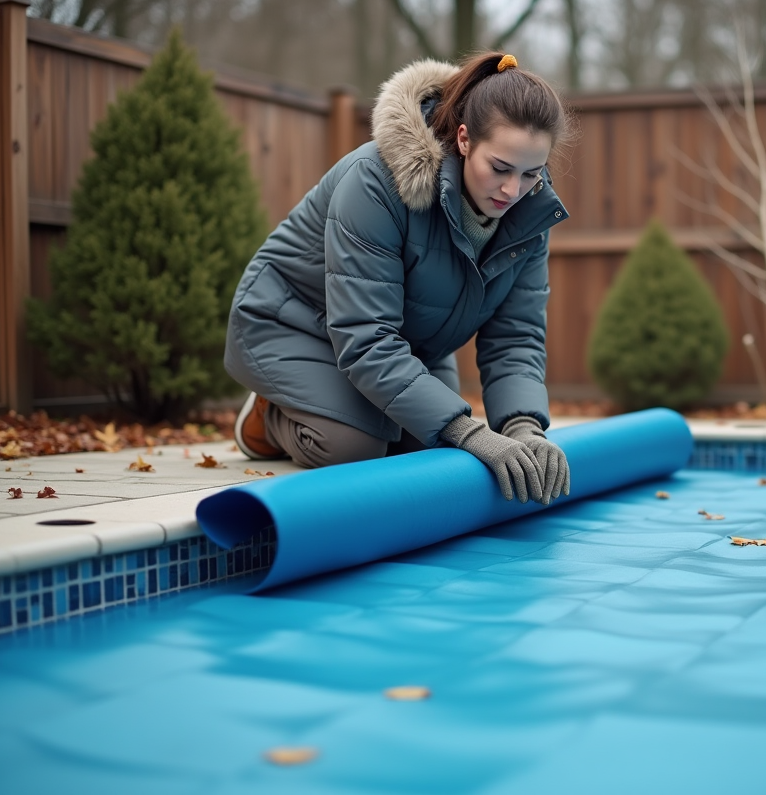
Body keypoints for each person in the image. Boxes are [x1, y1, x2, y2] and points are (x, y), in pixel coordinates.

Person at [225, 52, 572, 506]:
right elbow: (365, 334)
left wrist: (523, 428)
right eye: (500, 168)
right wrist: (469, 431)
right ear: (464, 139)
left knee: (429, 448)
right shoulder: (375, 182)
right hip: (289, 324)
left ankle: (339, 407)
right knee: (356, 447)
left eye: (531, 173)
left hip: (403, 342)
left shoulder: (530, 212)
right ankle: (270, 415)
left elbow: (515, 336)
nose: (513, 190)